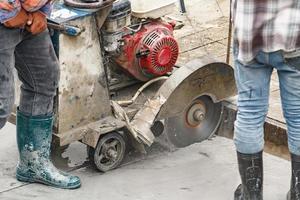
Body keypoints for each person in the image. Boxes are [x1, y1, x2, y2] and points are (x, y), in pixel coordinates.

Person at [0, 0, 81, 189]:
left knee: (44, 79)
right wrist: (7, 13)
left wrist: (43, 11)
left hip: (29, 18)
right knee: (2, 104)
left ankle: (33, 165)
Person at [232, 0, 300, 199]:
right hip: (294, 33)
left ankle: (250, 195)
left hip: (249, 32)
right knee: (298, 116)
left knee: (250, 112)